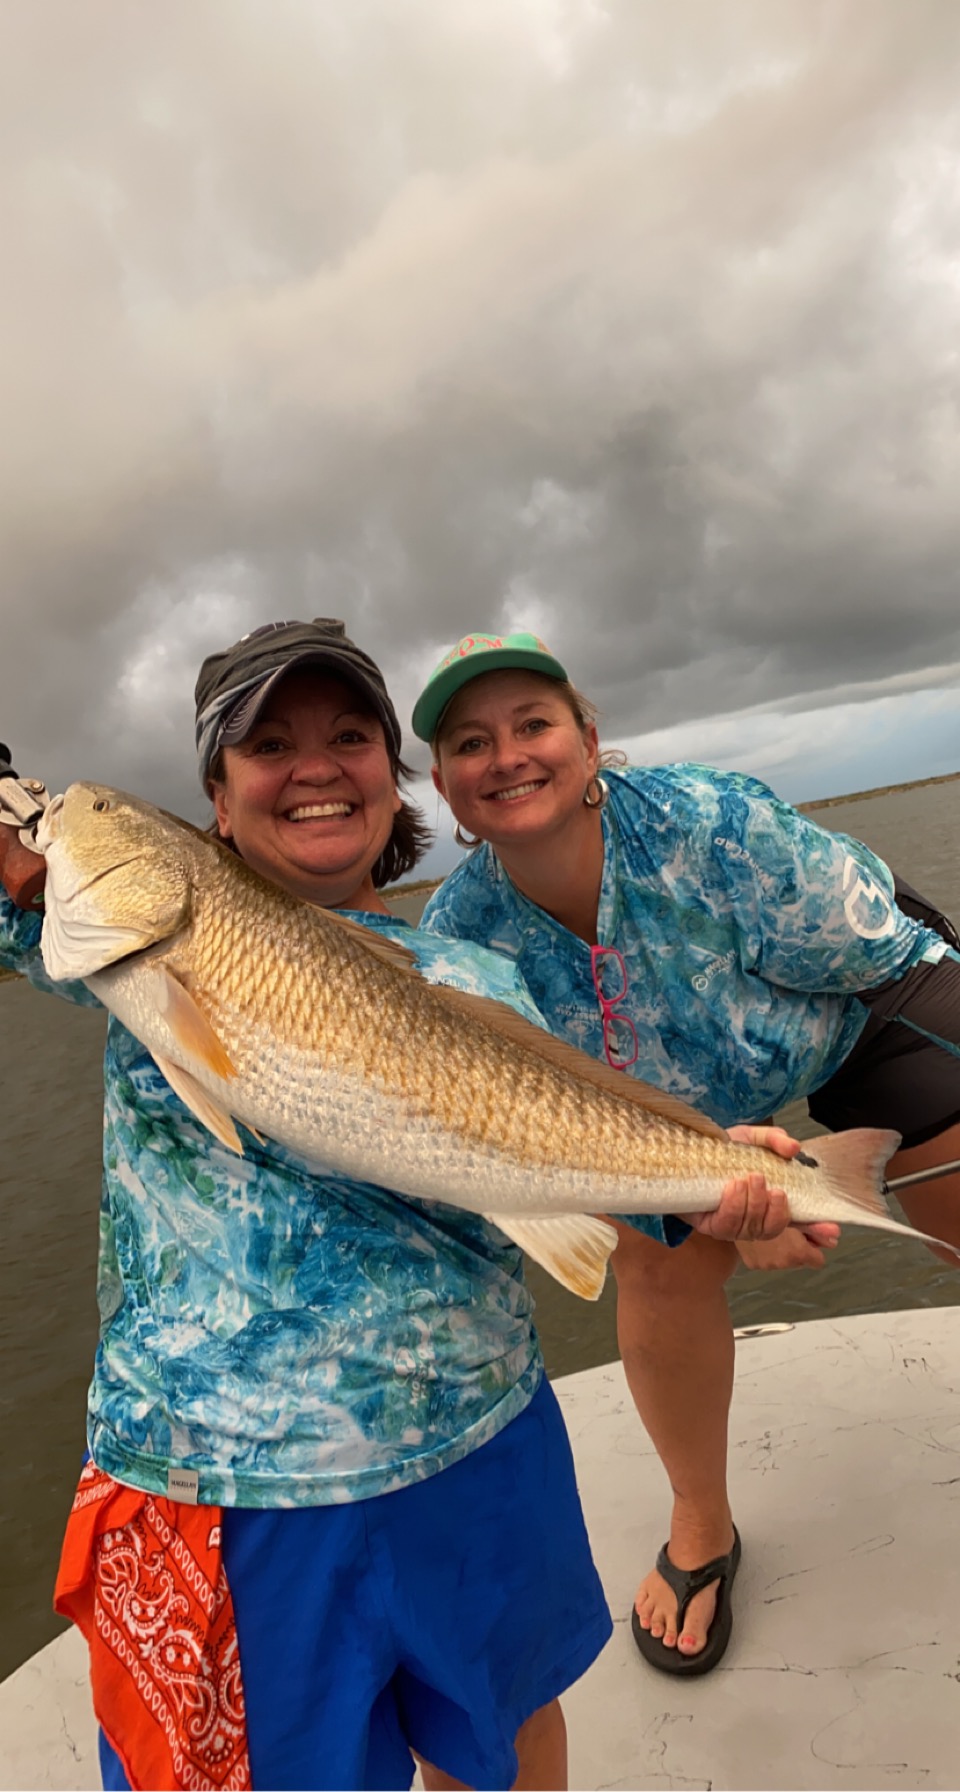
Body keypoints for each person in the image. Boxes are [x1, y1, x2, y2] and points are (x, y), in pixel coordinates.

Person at [0, 618, 800, 1792]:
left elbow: (576, 1143)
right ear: (214, 803)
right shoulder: (99, 935)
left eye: (351, 736)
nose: (316, 764)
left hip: (480, 1449)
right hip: (222, 1492)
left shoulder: (470, 970)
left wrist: (719, 1184)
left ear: (392, 775)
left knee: (510, 1736)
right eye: (268, 744)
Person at [412, 628, 960, 1679]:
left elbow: (903, 968)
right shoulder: (460, 937)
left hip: (848, 1012)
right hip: (658, 1115)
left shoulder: (713, 825)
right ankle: (702, 1523)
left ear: (588, 738)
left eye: (534, 723)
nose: (508, 755)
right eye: (472, 742)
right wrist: (727, 1193)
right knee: (656, 1265)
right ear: (444, 783)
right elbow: (538, 1120)